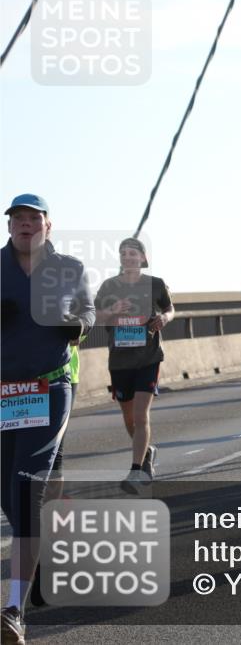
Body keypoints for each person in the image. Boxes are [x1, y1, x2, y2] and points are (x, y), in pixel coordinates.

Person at [2, 194, 94, 644]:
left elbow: (88, 312)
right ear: (9, 226)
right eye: (17, 218)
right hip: (2, 392)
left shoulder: (69, 269)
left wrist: (74, 325)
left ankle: (13, 609)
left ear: (48, 226)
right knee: (9, 494)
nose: (24, 225)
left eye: (32, 218)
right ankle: (39, 550)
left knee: (25, 488)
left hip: (48, 389)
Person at [94, 237, 174, 493]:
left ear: (142, 257)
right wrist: (113, 310)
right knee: (129, 418)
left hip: (148, 358)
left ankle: (136, 470)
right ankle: (147, 451)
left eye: (132, 254)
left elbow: (171, 309)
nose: (128, 258)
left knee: (140, 416)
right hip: (119, 361)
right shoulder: (109, 286)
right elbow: (94, 317)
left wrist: (164, 317)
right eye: (123, 254)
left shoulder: (155, 284)